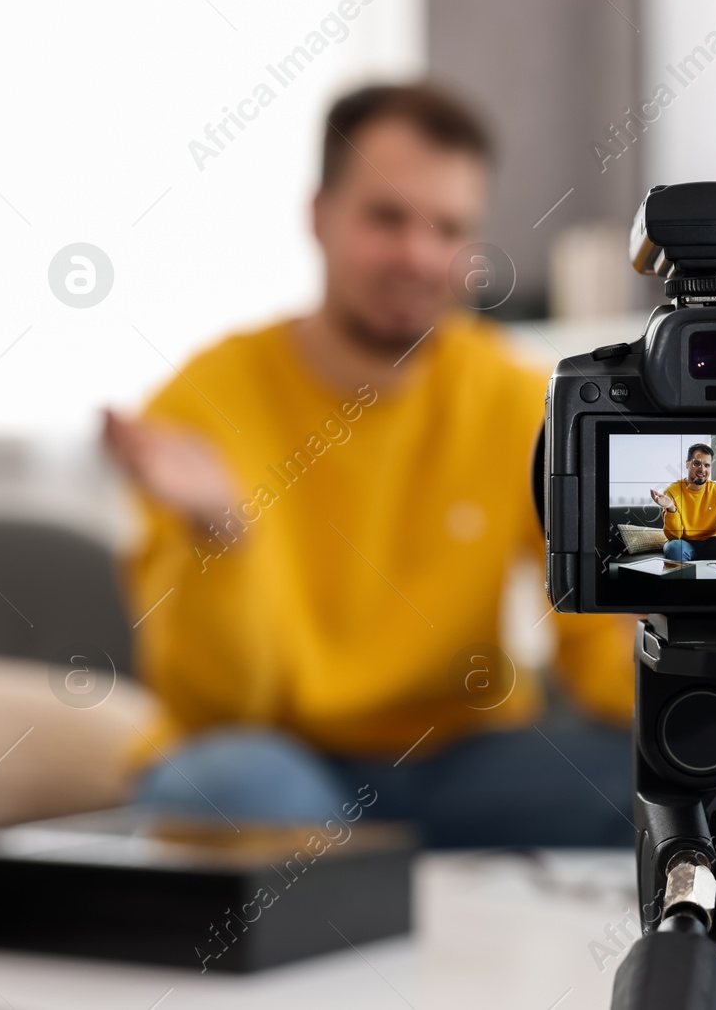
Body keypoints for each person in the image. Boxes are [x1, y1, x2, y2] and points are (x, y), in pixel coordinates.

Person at [104, 82, 635, 848]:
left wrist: (679, 641)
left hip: (469, 763)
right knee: (227, 785)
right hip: (290, 762)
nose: (419, 255)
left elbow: (593, 650)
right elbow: (217, 712)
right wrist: (222, 532)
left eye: (448, 228)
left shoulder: (520, 401)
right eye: (387, 218)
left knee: (693, 781)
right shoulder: (202, 406)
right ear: (320, 217)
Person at [650, 443, 716, 562]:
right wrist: (671, 508)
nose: (702, 469)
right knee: (674, 548)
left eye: (707, 465)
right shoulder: (672, 492)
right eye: (697, 463)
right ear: (687, 464)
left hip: (711, 543)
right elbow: (674, 536)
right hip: (684, 544)